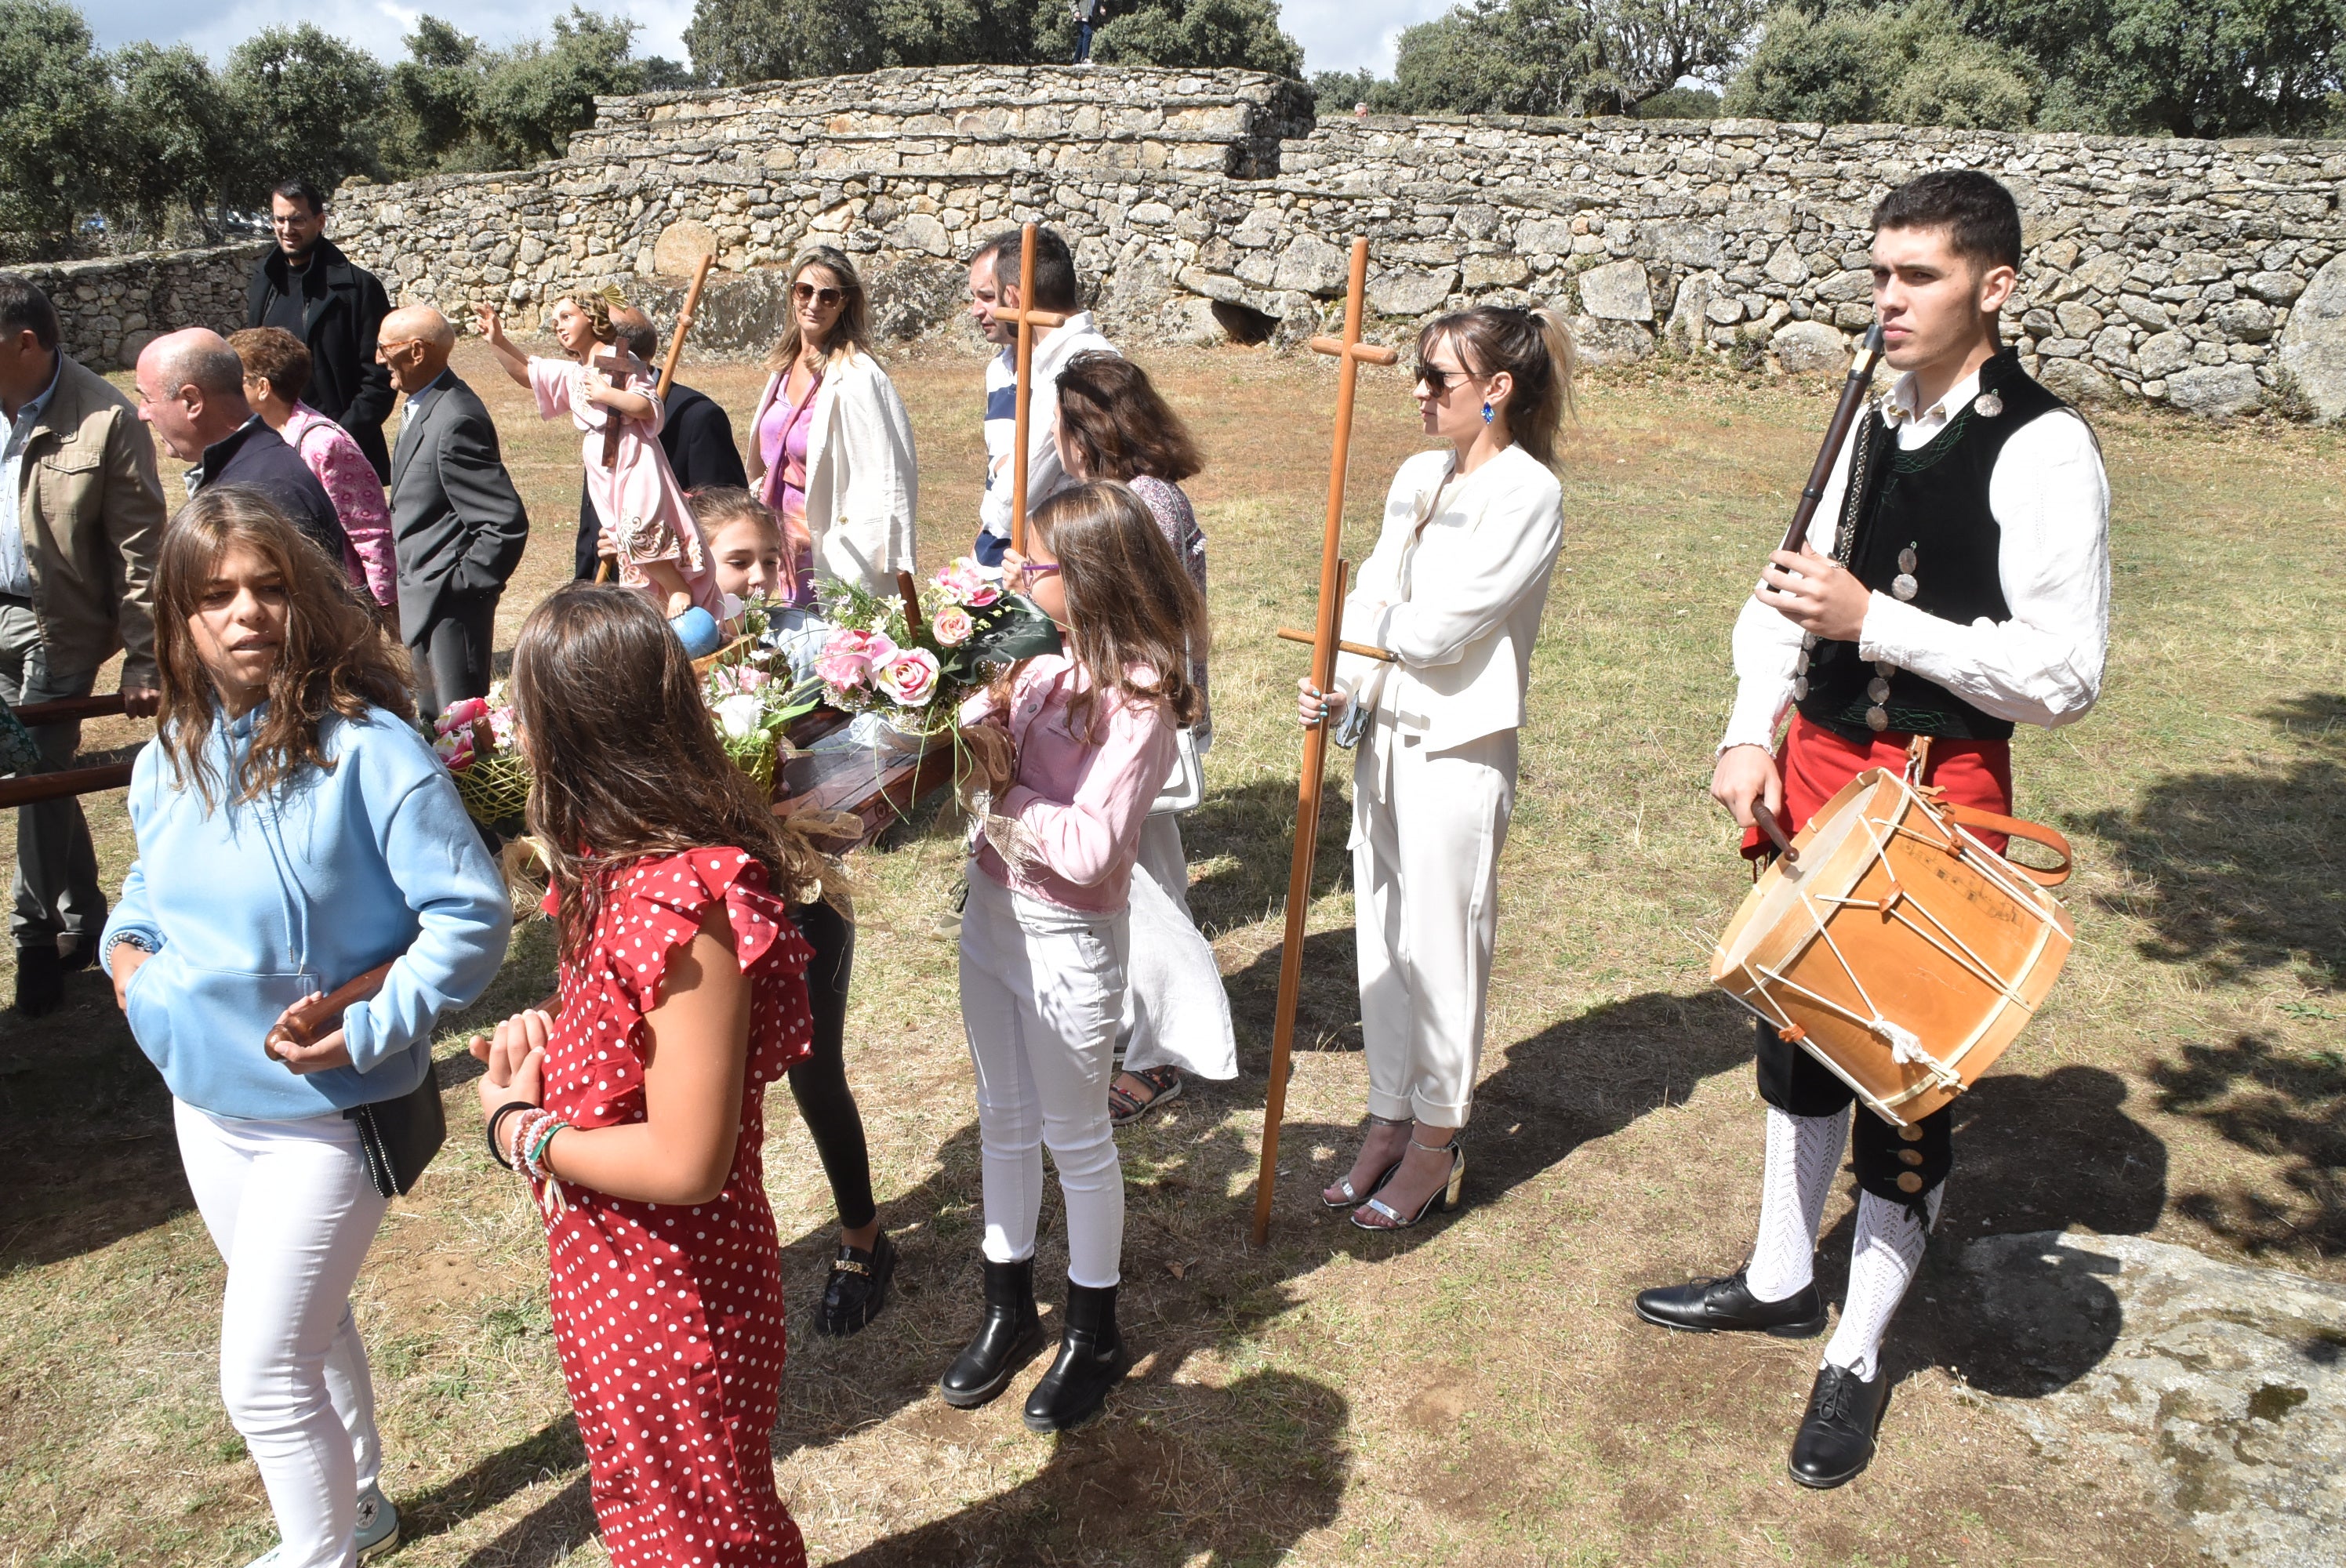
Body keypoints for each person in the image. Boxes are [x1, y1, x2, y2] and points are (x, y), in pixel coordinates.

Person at [1631, 169, 2111, 1490]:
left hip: (1937, 782)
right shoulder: (1868, 415)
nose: (1885, 299)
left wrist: (1877, 624)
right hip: (1822, 759)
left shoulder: (2043, 445)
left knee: (1900, 1078)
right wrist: (1748, 728)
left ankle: (1857, 1348)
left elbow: (2064, 676)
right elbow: (1786, 594)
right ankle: (1783, 1273)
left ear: (1993, 289)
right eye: (1879, 273)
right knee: (1793, 1029)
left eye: (1918, 278)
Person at [100, 487, 511, 1568]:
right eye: (216, 594)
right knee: (309, 1330)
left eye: (269, 588)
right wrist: (128, 965)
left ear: (304, 601)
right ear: (179, 619)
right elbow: (143, 891)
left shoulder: (372, 751)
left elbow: (471, 921)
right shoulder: (165, 758)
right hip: (206, 1105)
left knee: (261, 1376)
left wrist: (378, 1020)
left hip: (329, 1118)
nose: (245, 613)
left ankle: (316, 1554)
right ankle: (361, 1503)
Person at [467, 583, 838, 1566]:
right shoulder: (610, 873)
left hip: (674, 1299)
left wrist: (519, 1130)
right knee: (652, 1517)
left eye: (522, 717)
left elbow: (685, 1161)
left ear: (567, 734)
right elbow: (646, 1049)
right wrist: (563, 1035)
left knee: (706, 1539)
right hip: (614, 1278)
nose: (516, 742)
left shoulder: (688, 900)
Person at [1297, 306, 1575, 1232]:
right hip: (1383, 730)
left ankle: (1435, 1138)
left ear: (1496, 390)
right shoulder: (1417, 474)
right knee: (1381, 936)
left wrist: (1363, 632)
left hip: (1459, 744)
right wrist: (1341, 688)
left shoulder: (1528, 494)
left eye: (1438, 380)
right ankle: (1387, 1113)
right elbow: (1374, 589)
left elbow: (1442, 629)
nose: (1418, 394)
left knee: (1443, 941)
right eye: (1416, 375)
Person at [940, 481, 1202, 1432]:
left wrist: (1003, 800)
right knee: (1001, 1116)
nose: (1018, 570)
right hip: (995, 920)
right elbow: (986, 770)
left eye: (1035, 561)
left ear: (1085, 579)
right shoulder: (1043, 672)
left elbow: (1094, 849)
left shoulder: (1138, 706)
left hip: (1066, 941)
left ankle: (1094, 1326)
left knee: (1075, 1136)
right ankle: (1006, 1302)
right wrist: (970, 732)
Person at [1048, 350, 1233, 1123]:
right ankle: (1139, 1026)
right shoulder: (1122, 493)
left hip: (1136, 717)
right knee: (1145, 874)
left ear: (1086, 430)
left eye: (1060, 423)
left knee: (1147, 889)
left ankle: (1166, 1047)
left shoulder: (1144, 500)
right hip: (1119, 709)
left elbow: (1140, 614)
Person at [0, 274, 165, 1015]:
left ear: (25, 343)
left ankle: (34, 938)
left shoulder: (105, 417)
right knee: (47, 773)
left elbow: (141, 549)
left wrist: (144, 655)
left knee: (32, 777)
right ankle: (83, 916)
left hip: (57, 624)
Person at [475, 290, 720, 622]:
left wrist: (608, 394)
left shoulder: (620, 357)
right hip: (601, 462)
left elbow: (648, 406)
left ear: (590, 316)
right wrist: (498, 341)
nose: (559, 327)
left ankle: (677, 586)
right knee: (619, 533)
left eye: (566, 317)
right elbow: (527, 373)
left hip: (632, 453)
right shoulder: (574, 371)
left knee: (639, 526)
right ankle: (655, 596)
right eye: (554, 322)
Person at [376, 306, 530, 718]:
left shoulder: (455, 419)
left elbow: (504, 524)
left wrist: (458, 590)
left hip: (448, 610)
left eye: (383, 348)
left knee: (460, 733)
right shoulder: (422, 406)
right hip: (423, 601)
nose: (377, 359)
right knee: (434, 725)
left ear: (417, 351)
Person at [746, 248, 918, 601]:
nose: (814, 304)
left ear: (844, 303)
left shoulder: (859, 376)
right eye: (804, 291)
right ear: (792, 293)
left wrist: (896, 554)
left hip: (829, 534)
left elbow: (893, 468)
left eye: (828, 296)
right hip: (776, 536)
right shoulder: (783, 367)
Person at [966, 227, 1117, 567]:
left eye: (994, 298)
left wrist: (1001, 494)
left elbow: (1009, 506)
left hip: (1068, 556)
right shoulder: (1077, 354)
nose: (980, 310)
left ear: (1015, 300)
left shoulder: (1074, 368)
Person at [136, 329, 345, 563]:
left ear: (192, 401)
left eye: (147, 398)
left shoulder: (267, 492)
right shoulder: (246, 470)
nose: (142, 413)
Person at [572, 306, 746, 583]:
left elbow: (727, 517)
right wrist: (583, 581)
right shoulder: (598, 406)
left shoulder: (697, 417)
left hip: (667, 589)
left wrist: (637, 540)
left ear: (617, 355)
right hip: (605, 585)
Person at [230, 327, 396, 612]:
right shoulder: (253, 436)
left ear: (263, 387)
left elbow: (368, 528)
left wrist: (385, 605)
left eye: (236, 381)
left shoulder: (323, 443)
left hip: (335, 603)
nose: (228, 390)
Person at [247, 180, 397, 481]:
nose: (287, 229)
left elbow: (379, 379)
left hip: (341, 454)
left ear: (320, 222)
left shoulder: (358, 288)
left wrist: (335, 439)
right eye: (279, 219)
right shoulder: (263, 282)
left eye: (297, 219)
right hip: (275, 451)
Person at [1073, 0, 1102, 64]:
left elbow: (1098, 2)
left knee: (1082, 37)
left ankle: (1076, 61)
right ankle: (1085, 58)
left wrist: (1101, 8)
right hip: (1080, 15)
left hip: (1089, 17)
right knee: (1088, 33)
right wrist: (1075, 11)